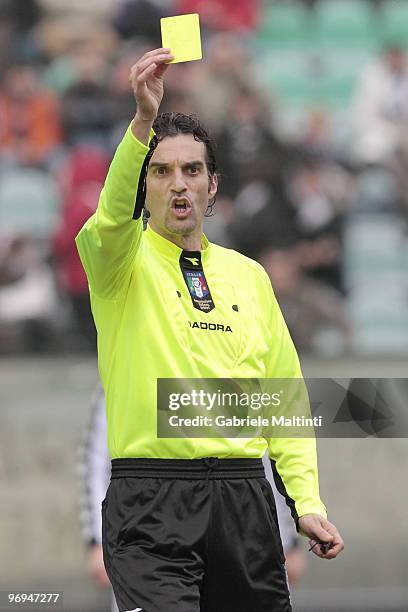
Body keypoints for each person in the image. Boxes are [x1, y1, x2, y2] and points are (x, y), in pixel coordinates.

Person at [75, 47, 344, 612]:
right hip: (149, 502)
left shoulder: (250, 277)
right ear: (142, 186)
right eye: (162, 170)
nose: (178, 184)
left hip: (245, 504)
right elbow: (108, 220)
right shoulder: (116, 263)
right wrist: (143, 122)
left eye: (192, 170)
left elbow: (283, 400)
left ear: (212, 184)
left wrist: (307, 503)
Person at [78, 387, 307, 612]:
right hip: (149, 525)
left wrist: (288, 540)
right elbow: (97, 463)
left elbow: (265, 461)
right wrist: (97, 540)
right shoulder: (130, 370)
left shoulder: (238, 377)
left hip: (234, 526)